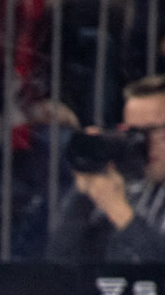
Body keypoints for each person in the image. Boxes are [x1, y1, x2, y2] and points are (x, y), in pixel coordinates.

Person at [48, 75, 165, 262]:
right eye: (133, 133)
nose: (143, 143)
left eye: (152, 131)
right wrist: (84, 193)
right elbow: (58, 261)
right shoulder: (127, 187)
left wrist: (120, 212)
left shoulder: (119, 200)